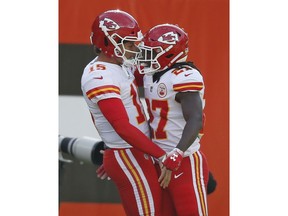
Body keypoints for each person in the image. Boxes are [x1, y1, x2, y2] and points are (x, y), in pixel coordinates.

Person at [81, 10, 177, 216]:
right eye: (129, 43)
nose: (135, 48)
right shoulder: (99, 75)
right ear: (108, 42)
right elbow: (121, 126)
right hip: (127, 152)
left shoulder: (117, 65)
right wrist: (162, 155)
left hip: (134, 151)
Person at [136, 23, 210, 215]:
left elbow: (195, 118)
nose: (145, 56)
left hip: (183, 160)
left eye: (152, 51)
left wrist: (177, 153)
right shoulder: (151, 74)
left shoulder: (184, 76)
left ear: (169, 53)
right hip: (158, 159)